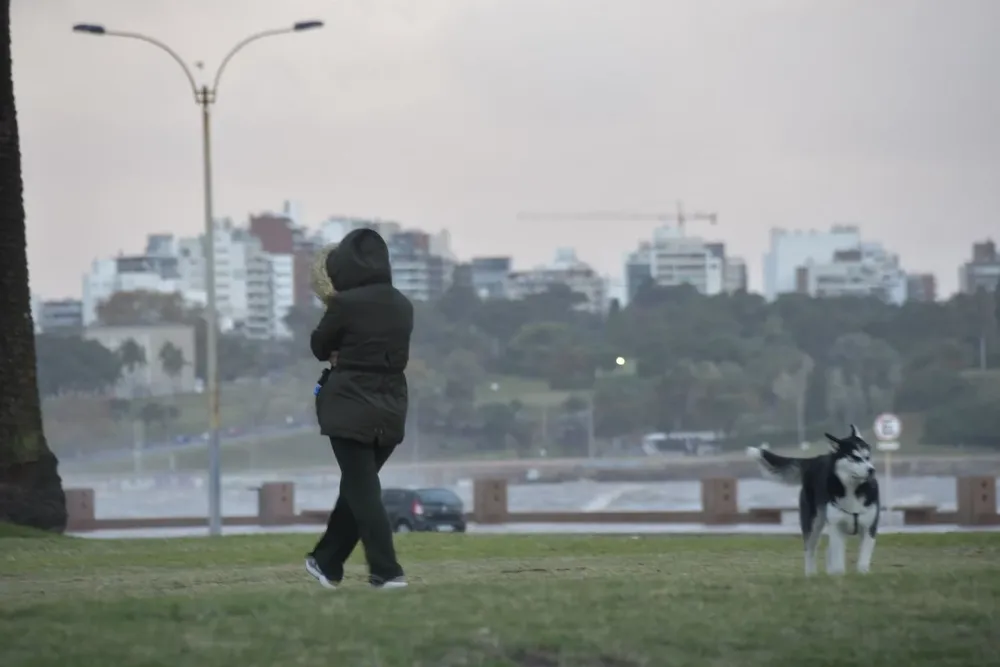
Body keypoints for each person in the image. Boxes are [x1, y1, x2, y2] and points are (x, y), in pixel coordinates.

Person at [304, 228, 412, 590]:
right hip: (392, 406)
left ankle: (387, 571)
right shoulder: (403, 305)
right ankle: (327, 562)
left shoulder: (344, 305)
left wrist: (339, 347)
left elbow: (320, 345)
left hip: (349, 403)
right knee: (359, 487)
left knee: (363, 491)